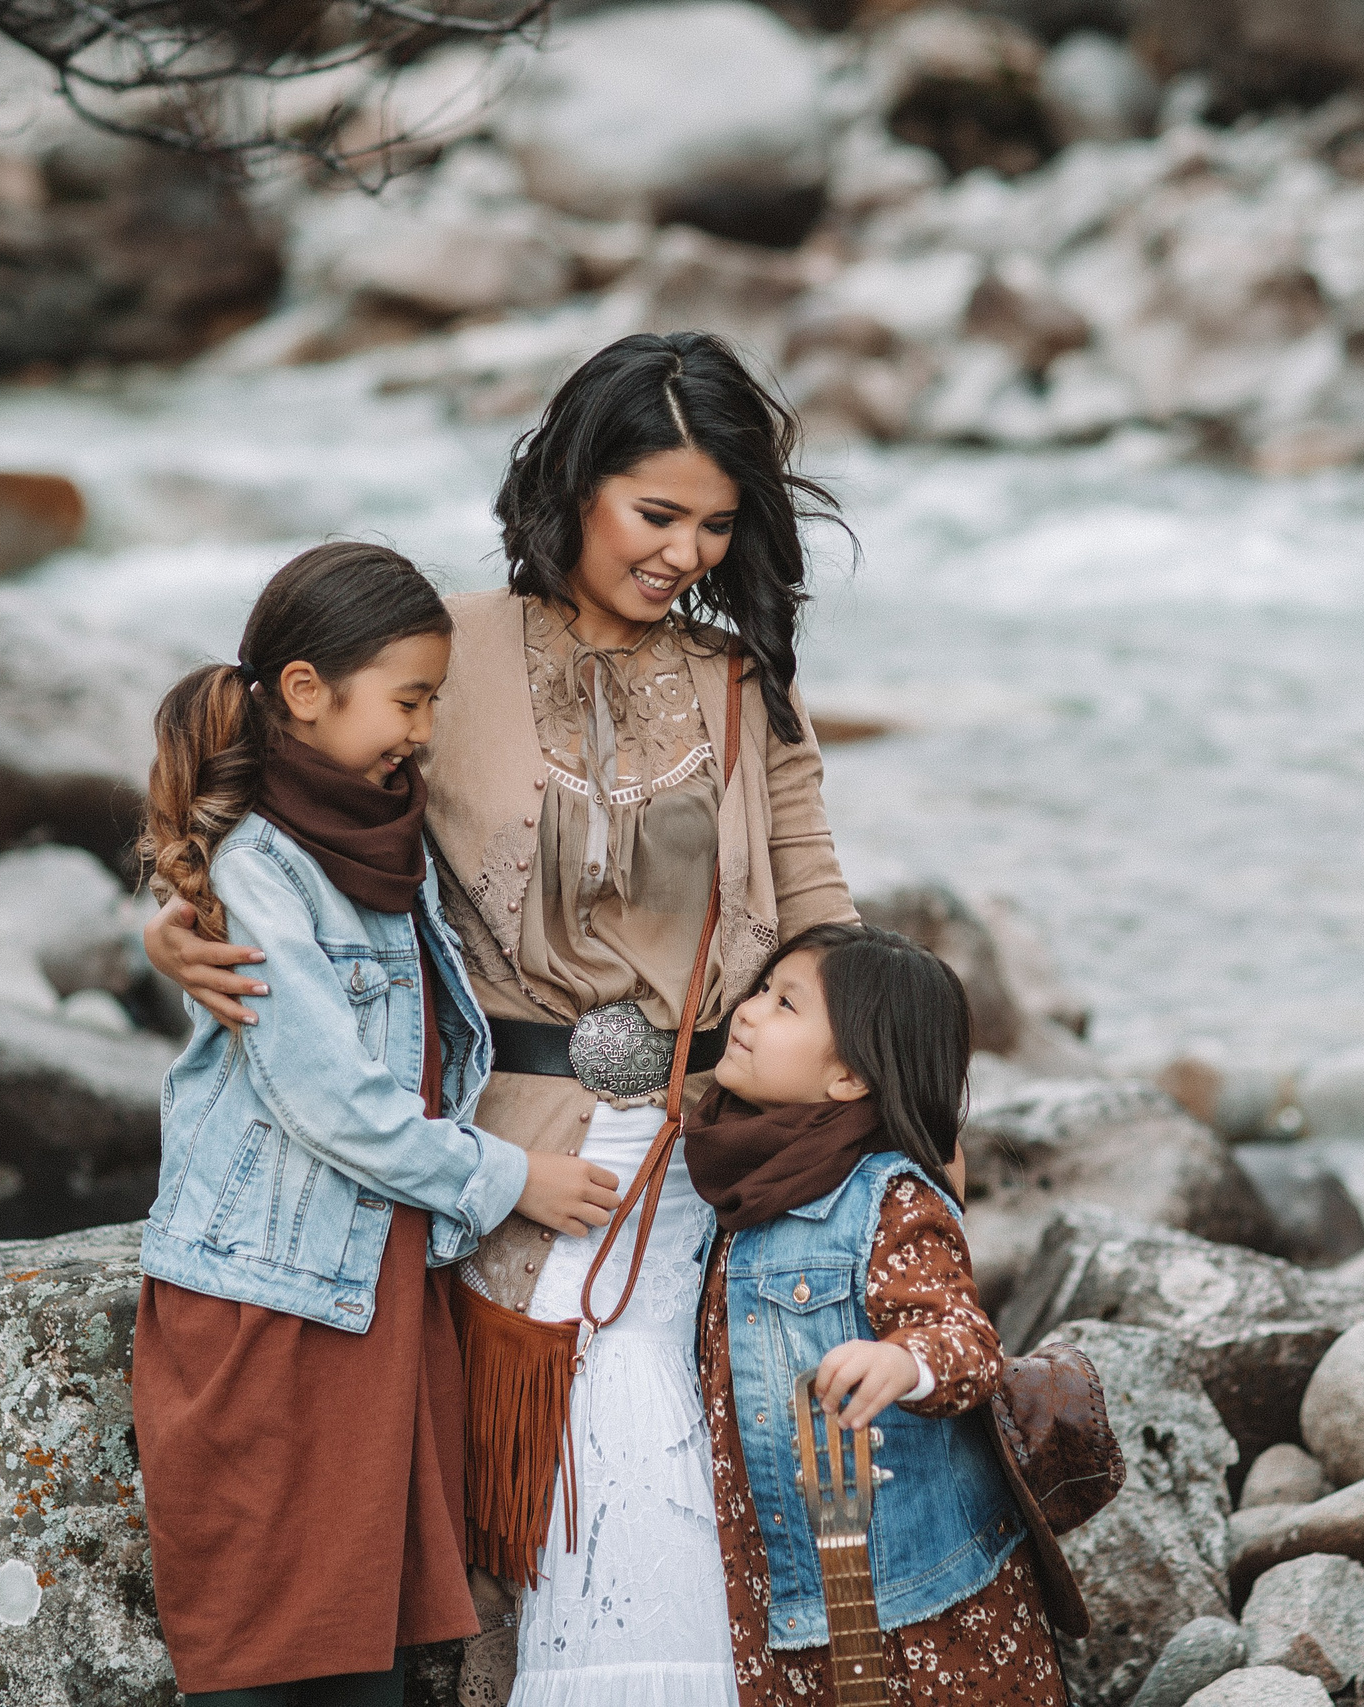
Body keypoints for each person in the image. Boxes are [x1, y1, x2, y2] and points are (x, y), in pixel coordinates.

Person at [144, 333, 860, 1705]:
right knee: (520, 1517)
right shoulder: (446, 648)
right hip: (495, 1150)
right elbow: (268, 775)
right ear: (576, 483)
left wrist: (890, 1108)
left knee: (677, 1472)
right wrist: (173, 910)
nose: (687, 552)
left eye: (717, 524)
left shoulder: (739, 675)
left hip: (711, 1146)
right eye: (657, 514)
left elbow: (821, 900)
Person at [130, 543, 622, 1707]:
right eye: (409, 699)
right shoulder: (263, 865)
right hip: (278, 1291)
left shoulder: (382, 838)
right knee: (273, 1641)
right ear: (306, 692)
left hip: (378, 1275)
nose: (425, 728)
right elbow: (330, 1099)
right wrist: (511, 1178)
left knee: (375, 1644)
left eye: (435, 700)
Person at [686, 923, 1070, 1704]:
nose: (750, 1011)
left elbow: (965, 1338)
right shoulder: (740, 1176)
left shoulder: (884, 1197)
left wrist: (903, 1360)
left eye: (785, 1004)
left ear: (851, 1079)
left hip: (917, 1601)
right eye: (761, 989)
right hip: (781, 1586)